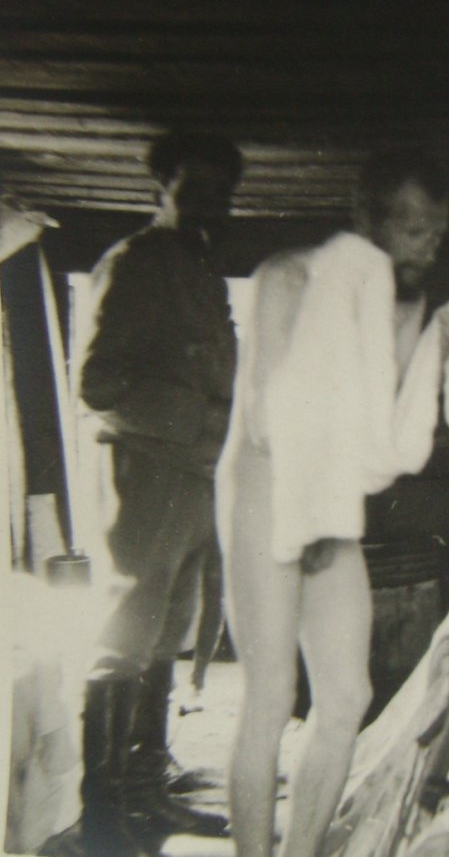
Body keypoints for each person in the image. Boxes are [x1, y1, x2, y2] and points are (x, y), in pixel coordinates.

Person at [217, 148, 449, 857]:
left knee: (348, 696)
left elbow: (384, 439)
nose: (427, 247)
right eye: (414, 228)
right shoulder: (289, 276)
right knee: (271, 694)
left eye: (437, 233)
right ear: (368, 218)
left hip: (328, 502)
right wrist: (317, 514)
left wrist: (434, 359)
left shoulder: (399, 303)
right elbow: (269, 413)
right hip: (266, 489)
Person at [74, 131, 242, 854]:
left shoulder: (199, 267)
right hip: (147, 474)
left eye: (220, 191)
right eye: (192, 187)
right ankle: (103, 813)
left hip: (194, 475)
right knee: (126, 637)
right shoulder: (137, 262)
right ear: (160, 188)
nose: (208, 202)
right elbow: (98, 384)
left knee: (167, 633)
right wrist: (201, 421)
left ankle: (146, 790)